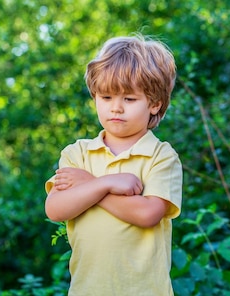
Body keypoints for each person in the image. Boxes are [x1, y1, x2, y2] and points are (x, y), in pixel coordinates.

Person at [44, 34, 183, 295]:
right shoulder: (78, 154)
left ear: (154, 104)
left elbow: (147, 214)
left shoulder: (160, 155)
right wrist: (106, 183)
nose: (116, 108)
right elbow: (55, 208)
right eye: (106, 97)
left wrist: (90, 186)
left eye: (129, 99)